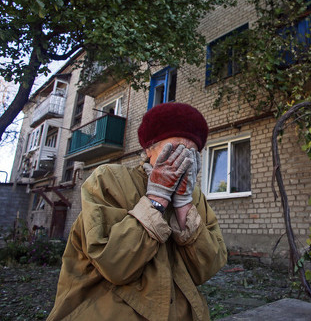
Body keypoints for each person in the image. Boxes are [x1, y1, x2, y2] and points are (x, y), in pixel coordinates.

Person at [48, 103, 227, 321]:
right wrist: (158, 197)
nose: (184, 161)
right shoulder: (109, 179)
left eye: (191, 153)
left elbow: (206, 269)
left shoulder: (194, 196)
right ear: (148, 149)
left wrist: (183, 205)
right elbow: (115, 265)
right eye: (175, 150)